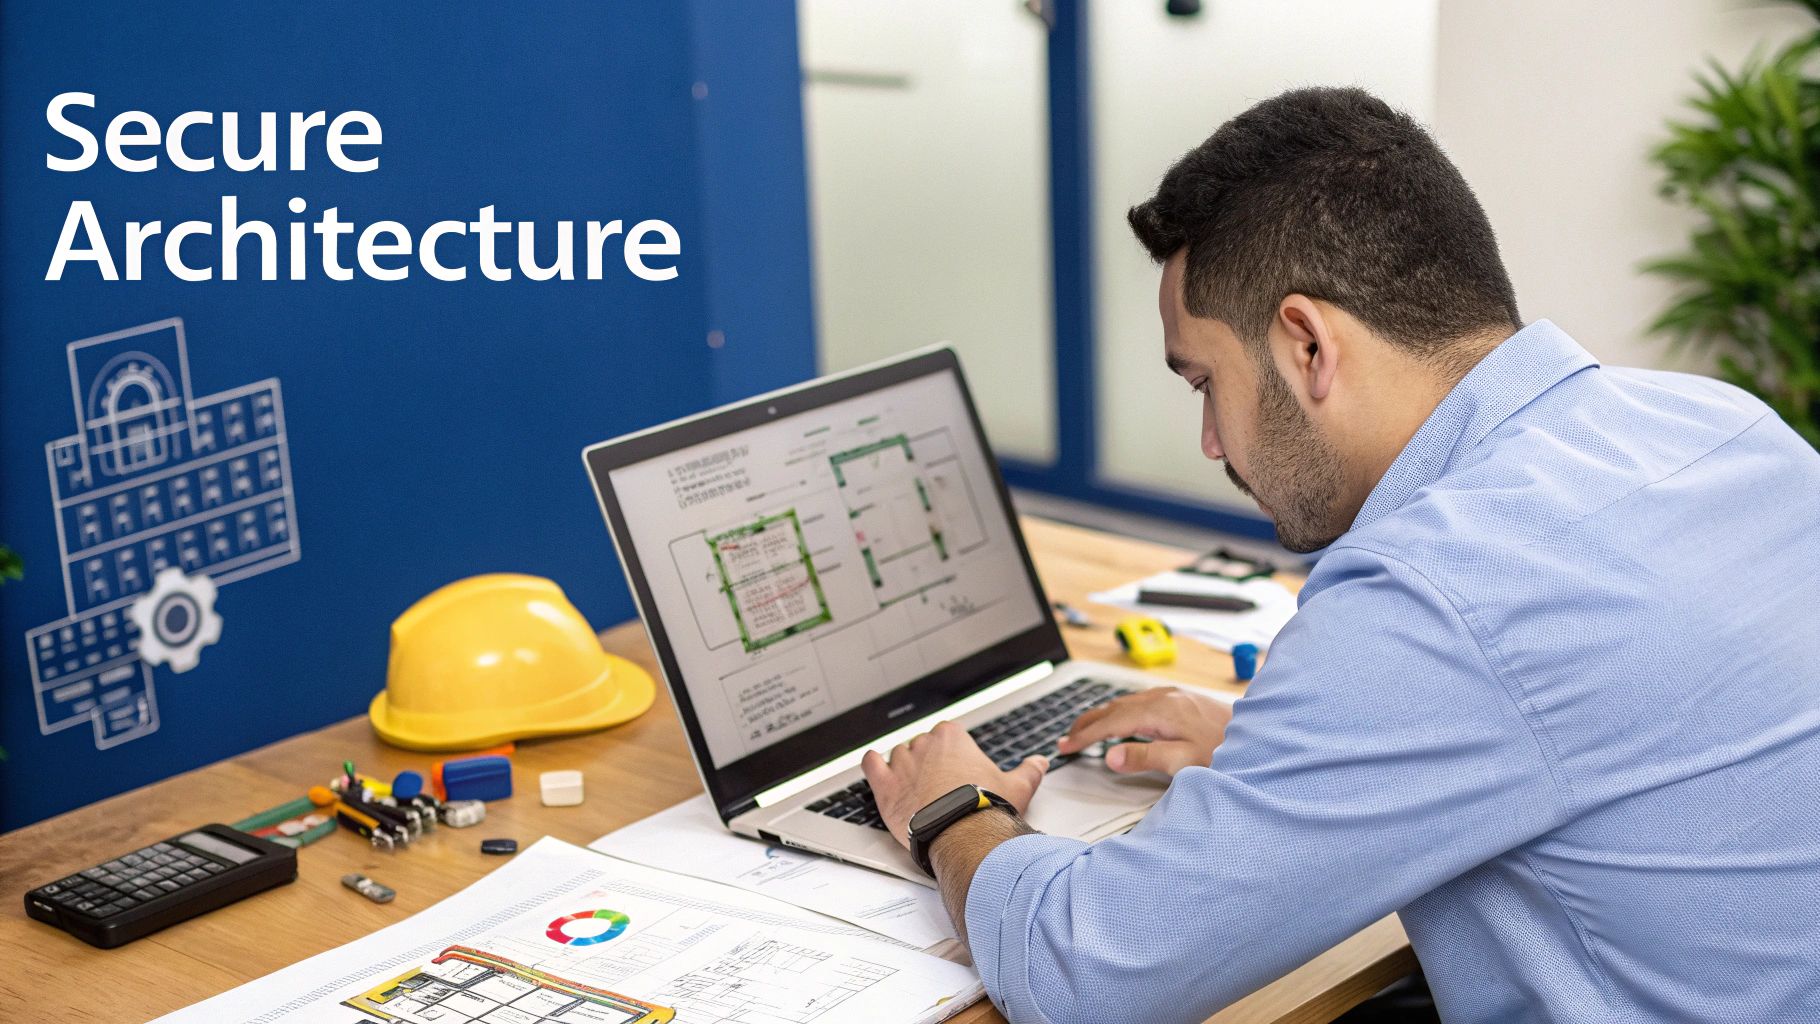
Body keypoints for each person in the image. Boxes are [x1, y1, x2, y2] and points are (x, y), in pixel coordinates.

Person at [860, 86, 1820, 1023]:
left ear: (1307, 346)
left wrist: (955, 809)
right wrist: (1285, 752)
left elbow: (1082, 975)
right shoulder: (1725, 426)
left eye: (1204, 381)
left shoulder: (1433, 588)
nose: (1210, 442)